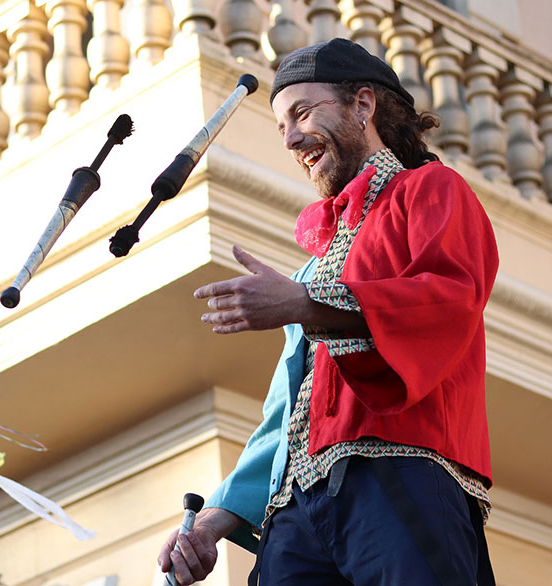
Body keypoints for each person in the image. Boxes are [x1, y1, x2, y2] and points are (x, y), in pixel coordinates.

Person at [158, 38, 498, 585]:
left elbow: (448, 299)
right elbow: (287, 409)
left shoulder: (431, 189)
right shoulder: (312, 268)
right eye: (281, 127)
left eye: (302, 112)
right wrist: (215, 522)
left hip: (398, 470)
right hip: (295, 512)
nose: (291, 137)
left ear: (363, 106)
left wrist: (305, 305)